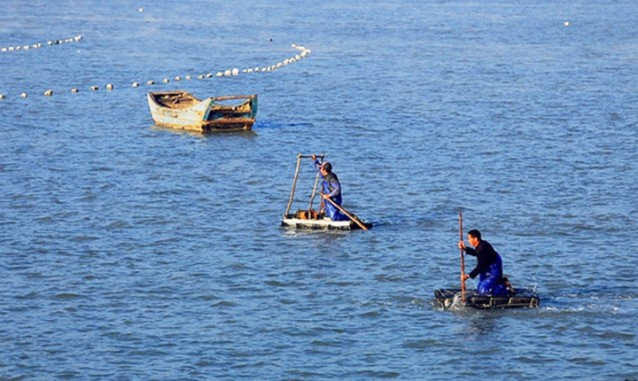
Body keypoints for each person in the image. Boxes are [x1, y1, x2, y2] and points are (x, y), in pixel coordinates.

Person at [458, 229, 508, 296]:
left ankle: (503, 286)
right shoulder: (479, 246)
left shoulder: (482, 247)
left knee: (484, 291)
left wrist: (468, 276)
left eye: (469, 239)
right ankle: (499, 282)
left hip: (494, 268)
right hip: (486, 267)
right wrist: (465, 248)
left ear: (475, 239)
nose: (468, 241)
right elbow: (476, 253)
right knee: (479, 288)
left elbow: (480, 267)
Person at [311, 154, 348, 221]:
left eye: (321, 167)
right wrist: (315, 160)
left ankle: (347, 217)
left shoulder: (332, 178)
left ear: (325, 170)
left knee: (334, 217)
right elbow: (318, 167)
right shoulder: (324, 174)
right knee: (326, 214)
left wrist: (329, 195)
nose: (320, 168)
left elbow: (337, 189)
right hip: (327, 200)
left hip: (334, 199)